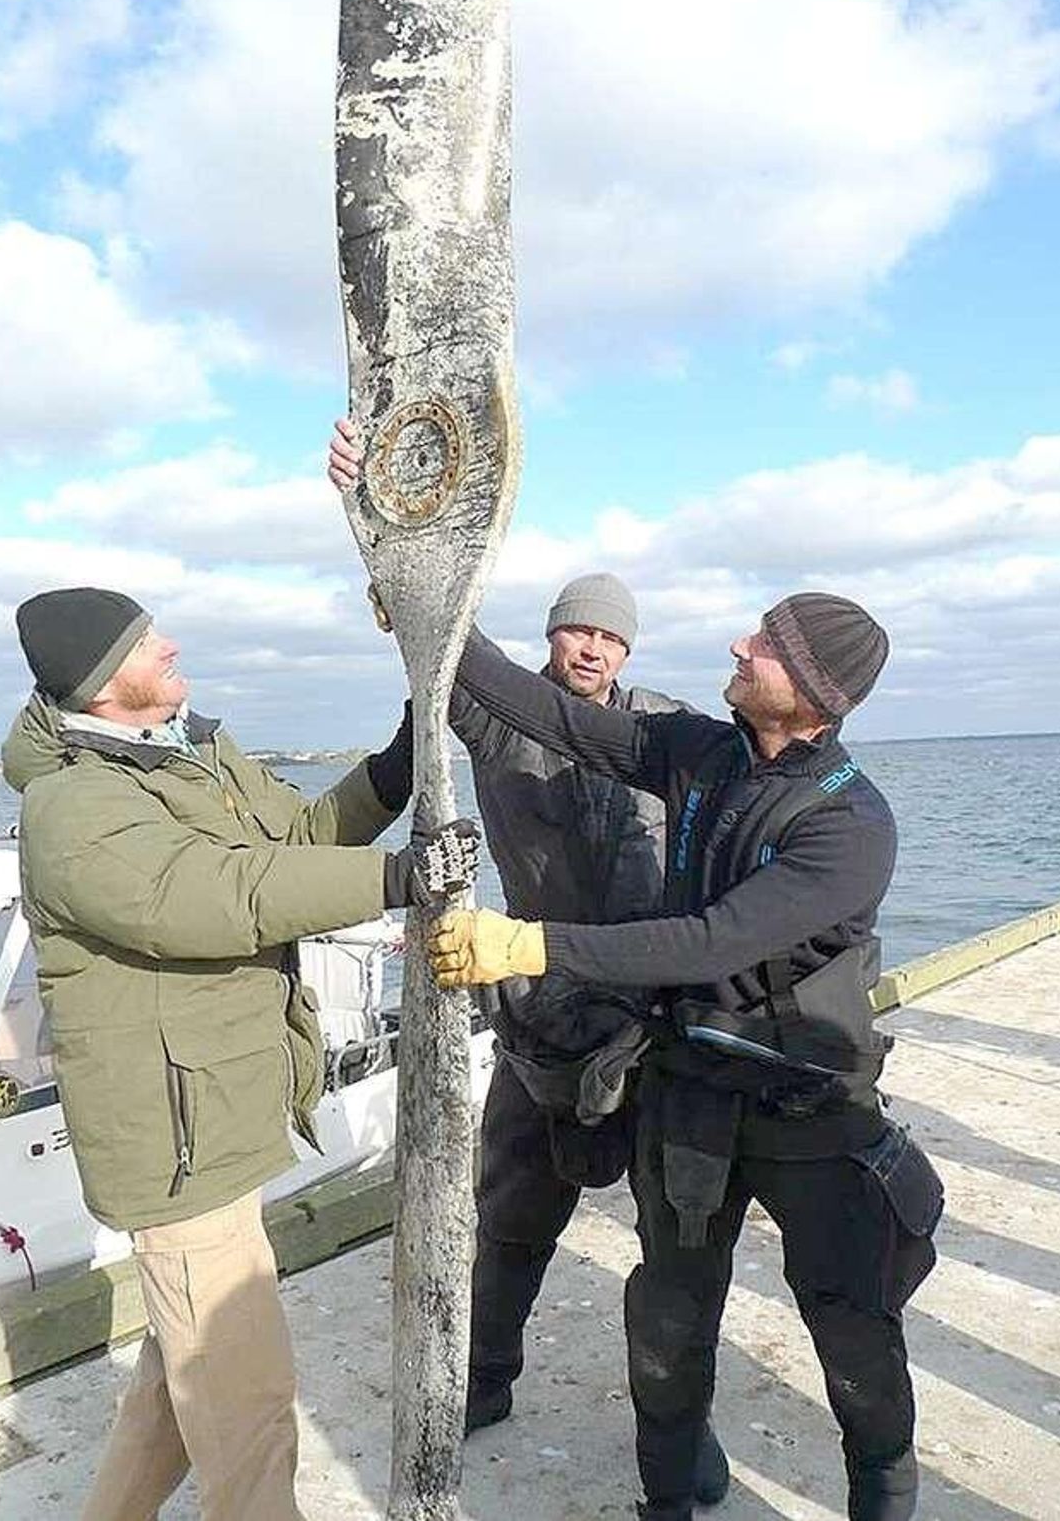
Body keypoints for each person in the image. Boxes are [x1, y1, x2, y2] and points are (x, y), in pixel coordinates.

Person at [428, 595, 943, 1521]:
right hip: (691, 1097)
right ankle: (666, 1501)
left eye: (769, 645)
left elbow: (712, 941)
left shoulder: (853, 824)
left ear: (817, 693)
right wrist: (432, 603)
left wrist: (531, 943)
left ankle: (883, 1493)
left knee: (852, 1328)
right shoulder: (701, 749)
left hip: (809, 1108)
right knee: (667, 1320)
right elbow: (551, 716)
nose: (741, 644)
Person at [1, 587, 477, 1521]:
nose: (170, 644)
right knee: (251, 1418)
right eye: (145, 641)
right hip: (174, 1148)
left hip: (219, 1120)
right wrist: (396, 879)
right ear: (102, 686)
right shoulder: (71, 806)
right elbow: (209, 893)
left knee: (180, 1394)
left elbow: (291, 840)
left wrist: (390, 769)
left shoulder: (191, 752)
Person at [328, 419, 728, 1503]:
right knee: (511, 1219)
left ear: (630, 652)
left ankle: (675, 1433)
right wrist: (375, 520)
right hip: (541, 1013)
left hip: (653, 1023)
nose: (590, 648)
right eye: (573, 630)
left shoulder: (669, 734)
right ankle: (486, 1378)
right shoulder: (505, 726)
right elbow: (434, 639)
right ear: (551, 640)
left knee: (674, 1249)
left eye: (609, 636)